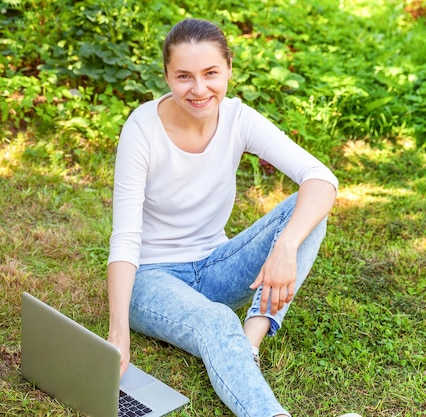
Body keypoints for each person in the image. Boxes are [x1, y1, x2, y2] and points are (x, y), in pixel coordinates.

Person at [106, 18, 361, 417]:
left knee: (307, 212)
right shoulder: (142, 129)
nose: (199, 89)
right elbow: (124, 238)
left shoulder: (239, 118)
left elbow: (321, 179)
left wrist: (285, 247)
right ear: (167, 76)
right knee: (214, 321)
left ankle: (249, 344)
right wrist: (117, 332)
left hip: (214, 265)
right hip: (151, 278)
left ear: (228, 70)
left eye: (211, 73)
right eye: (184, 76)